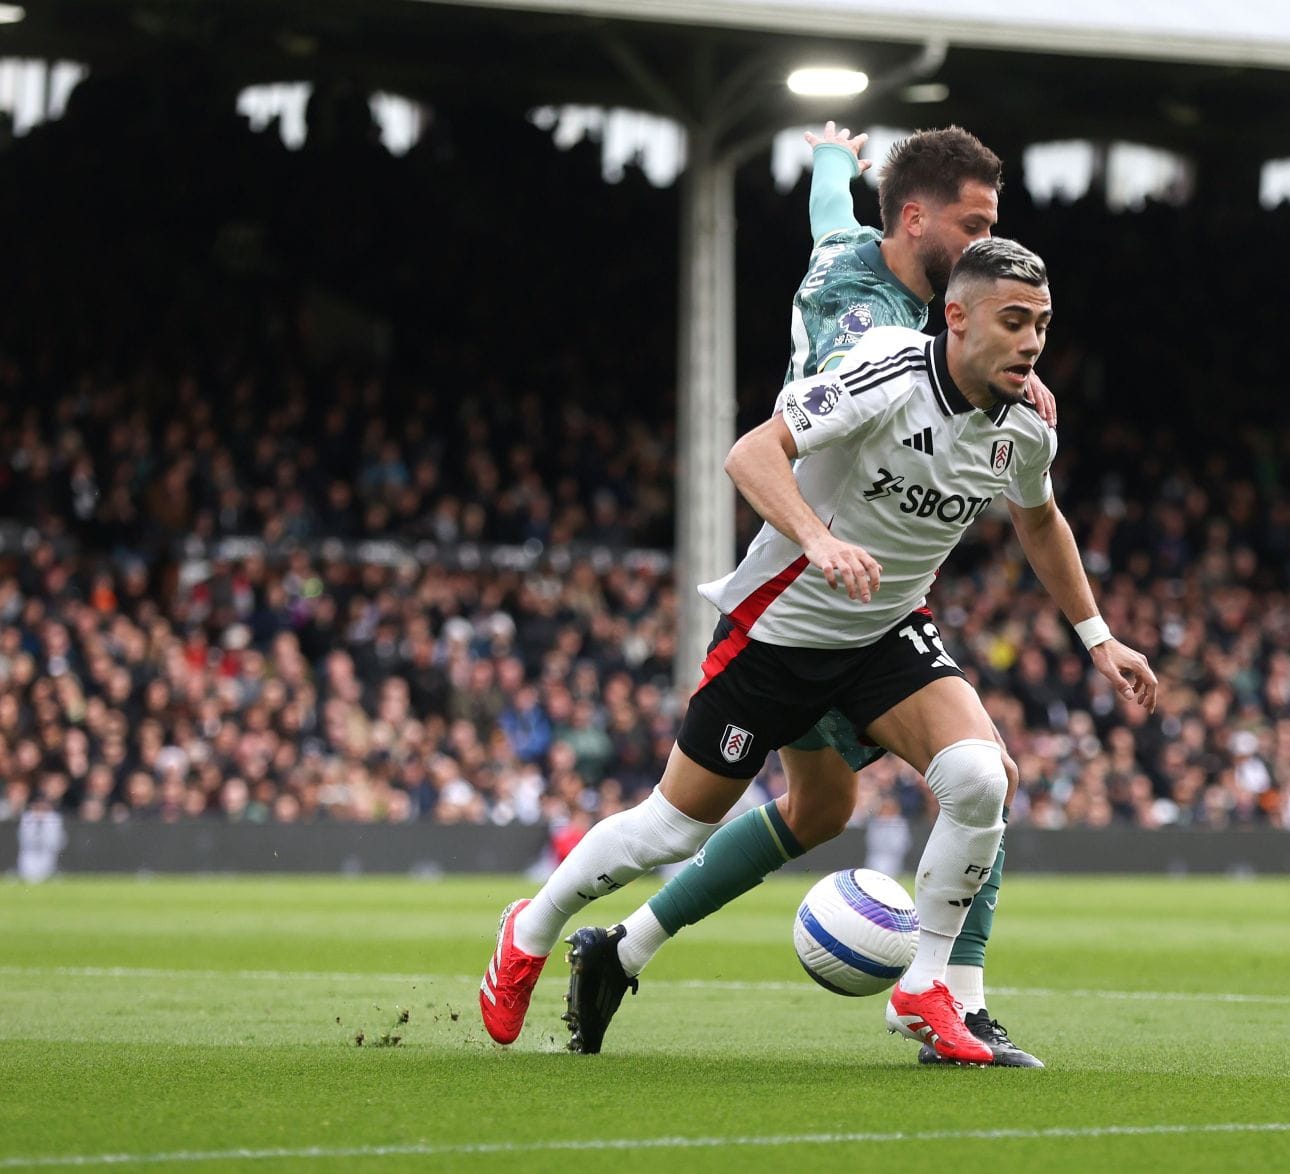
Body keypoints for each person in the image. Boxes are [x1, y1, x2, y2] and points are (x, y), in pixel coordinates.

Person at [479, 238, 1157, 1062]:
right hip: (778, 637)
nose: (1031, 343)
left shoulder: (1025, 429)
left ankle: (925, 990)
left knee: (981, 777)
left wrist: (1098, 637)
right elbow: (751, 452)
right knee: (669, 830)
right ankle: (534, 925)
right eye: (1013, 322)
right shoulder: (889, 372)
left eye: (1042, 326)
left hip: (882, 633)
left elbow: (1039, 519)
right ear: (956, 318)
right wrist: (816, 541)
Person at [587, 123, 1056, 1068]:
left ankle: (623, 947)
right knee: (983, 775)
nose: (981, 248)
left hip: (855, 574)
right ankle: (953, 1000)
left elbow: (827, 215)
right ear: (919, 221)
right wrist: (1014, 383)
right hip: (825, 571)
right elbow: (914, 369)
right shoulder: (873, 322)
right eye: (971, 226)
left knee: (820, 810)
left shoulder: (851, 245)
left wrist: (833, 156)